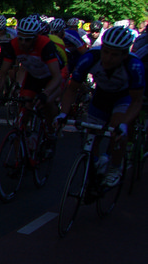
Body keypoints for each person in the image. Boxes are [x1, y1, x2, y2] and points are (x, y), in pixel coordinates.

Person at [57, 25, 145, 188]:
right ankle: (96, 163)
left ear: (125, 55)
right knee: (92, 136)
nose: (108, 58)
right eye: (106, 52)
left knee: (117, 129)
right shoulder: (90, 58)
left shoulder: (134, 66)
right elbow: (72, 89)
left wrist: (124, 124)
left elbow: (137, 101)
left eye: (115, 54)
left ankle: (115, 167)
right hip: (101, 95)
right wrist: (63, 114)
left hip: (123, 97)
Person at [0, 15, 64, 131]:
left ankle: (51, 130)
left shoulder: (45, 45)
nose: (23, 43)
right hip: (34, 75)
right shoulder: (13, 44)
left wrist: (45, 94)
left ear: (36, 38)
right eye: (20, 38)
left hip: (51, 76)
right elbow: (3, 72)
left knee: (48, 103)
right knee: (25, 104)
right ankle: (22, 133)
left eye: (28, 40)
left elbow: (57, 77)